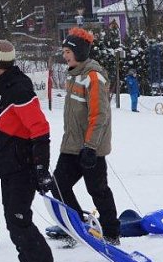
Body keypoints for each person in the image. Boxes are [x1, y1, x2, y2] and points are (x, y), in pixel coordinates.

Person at [0, 39, 57, 262]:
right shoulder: (1, 85)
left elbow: (39, 128)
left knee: (19, 220)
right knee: (14, 221)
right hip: (9, 165)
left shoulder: (18, 88)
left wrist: (41, 167)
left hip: (22, 165)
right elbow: (7, 124)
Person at [52, 27, 121, 247]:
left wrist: (90, 147)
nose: (64, 56)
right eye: (63, 52)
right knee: (59, 185)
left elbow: (99, 114)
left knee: (97, 190)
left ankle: (112, 233)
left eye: (68, 52)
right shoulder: (74, 76)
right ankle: (76, 226)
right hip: (71, 146)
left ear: (80, 52)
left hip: (91, 148)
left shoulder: (93, 77)